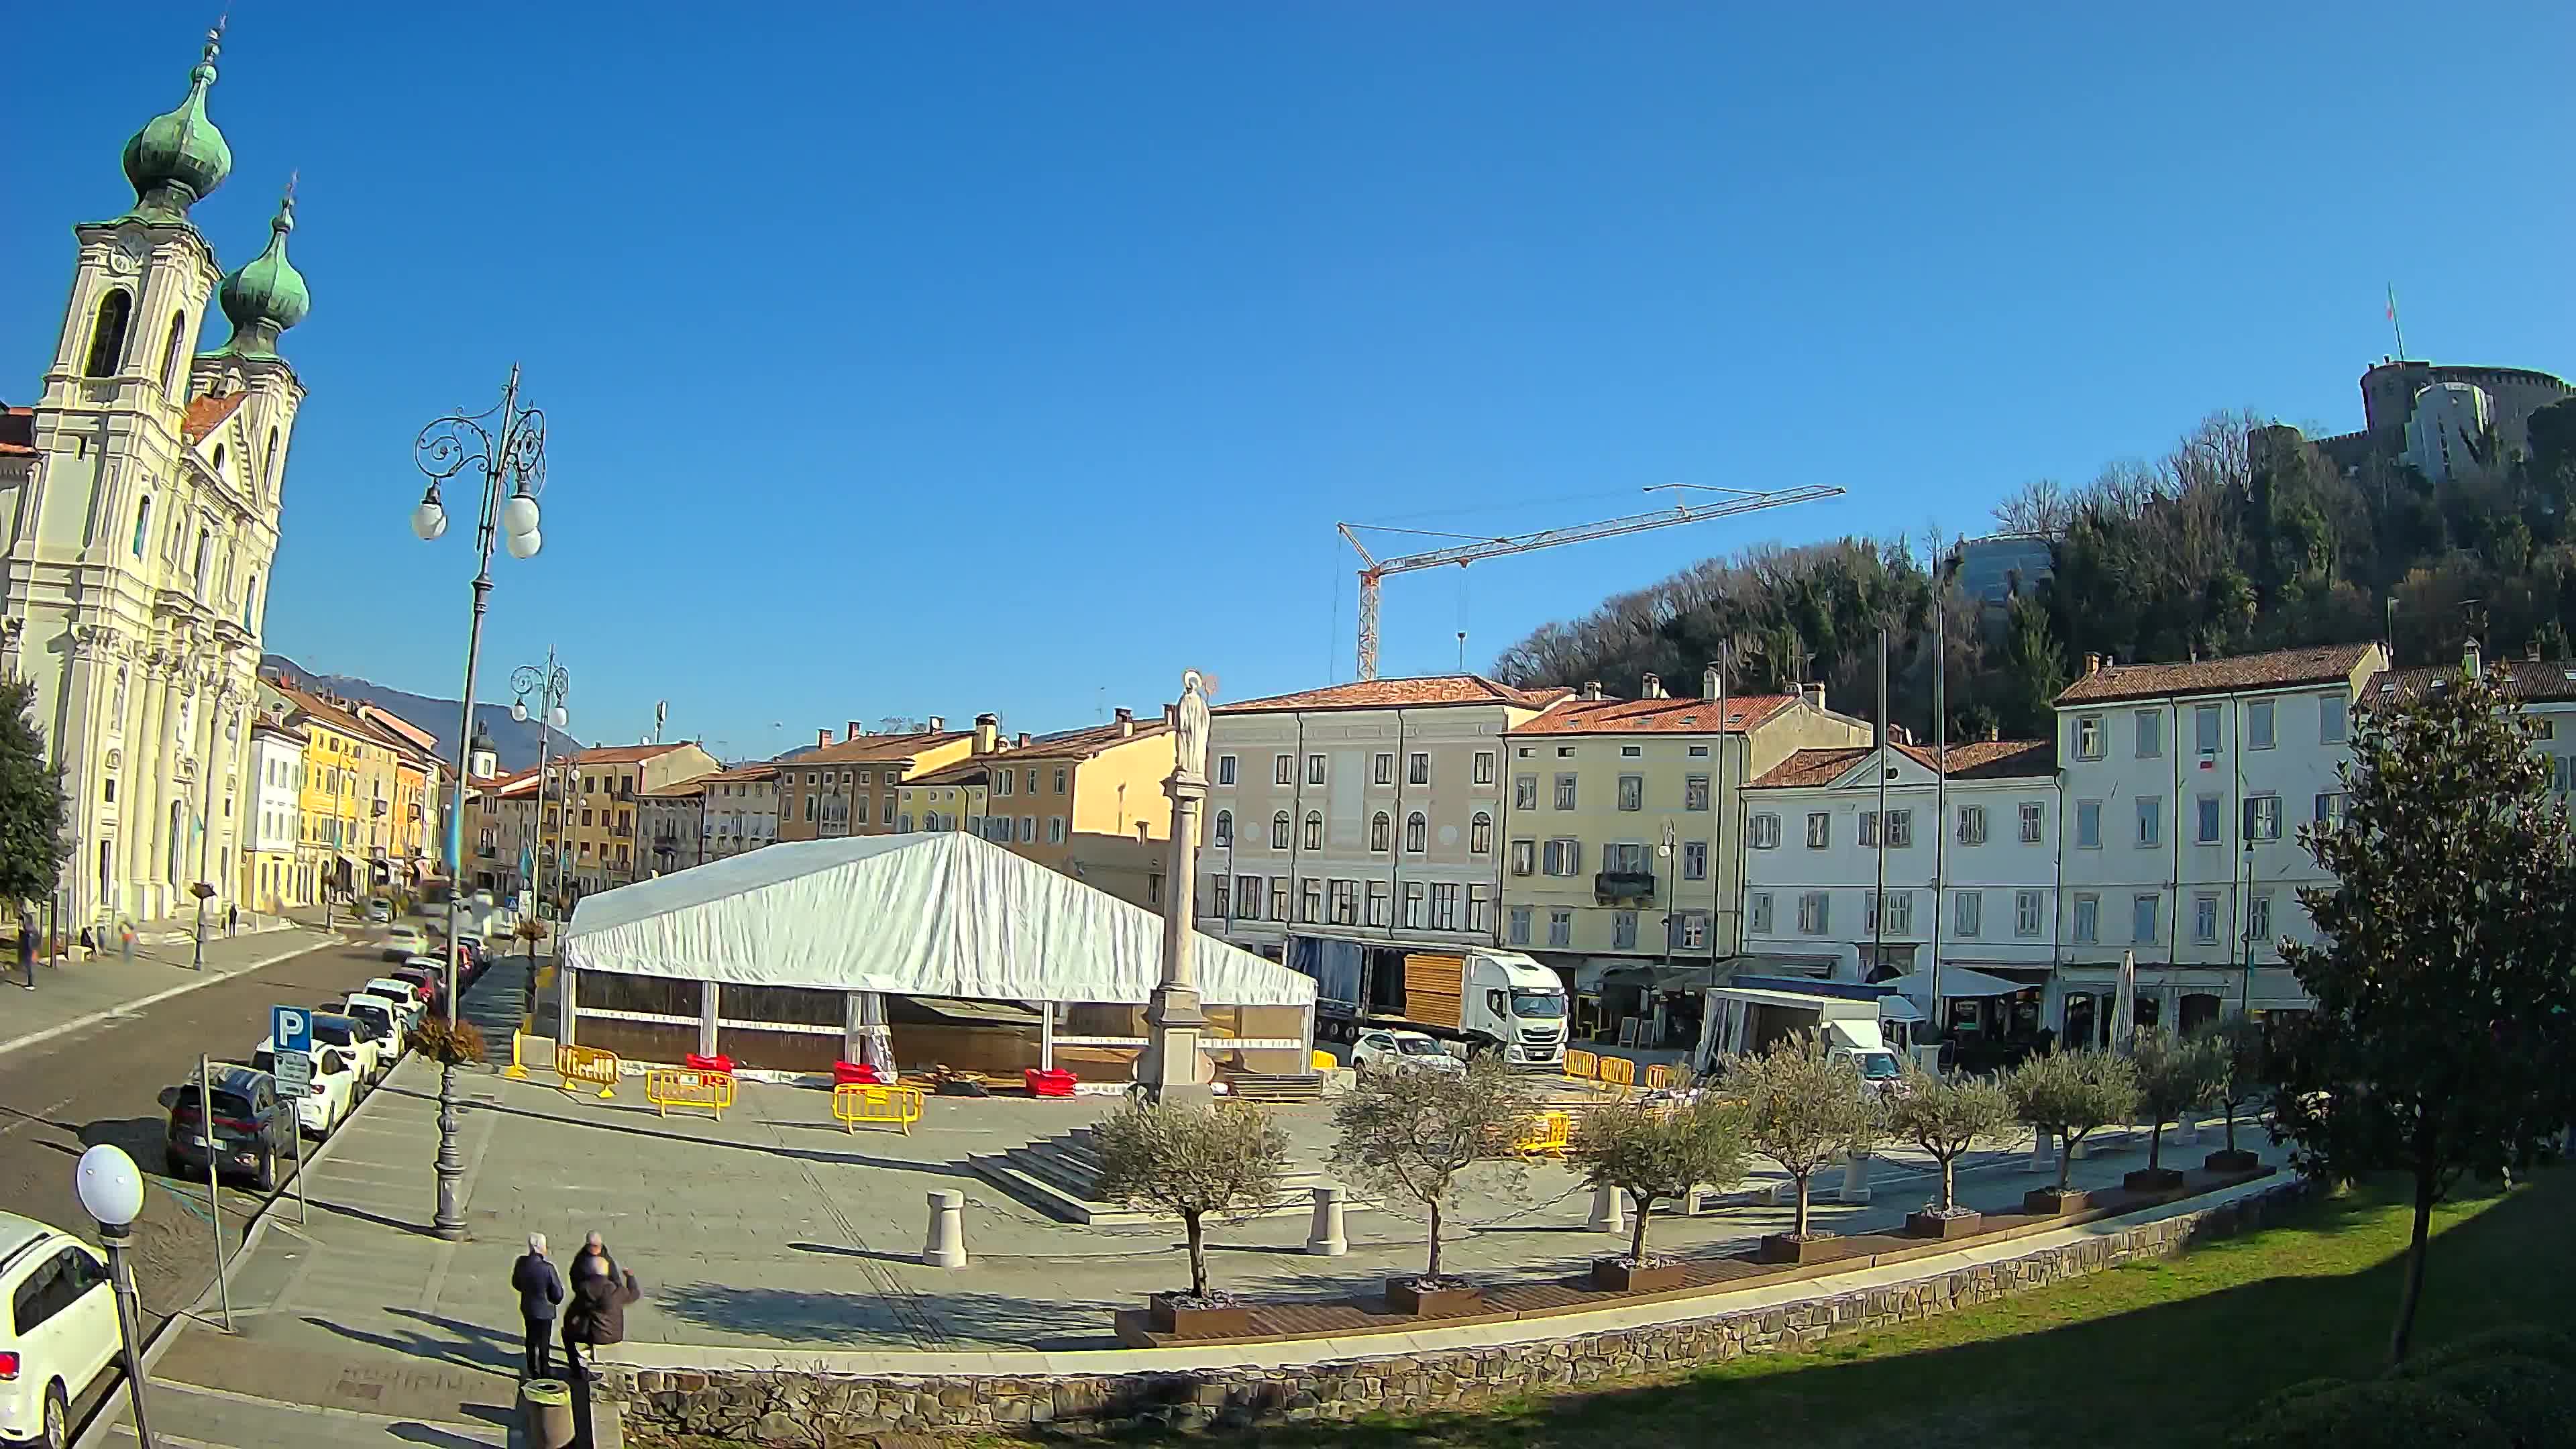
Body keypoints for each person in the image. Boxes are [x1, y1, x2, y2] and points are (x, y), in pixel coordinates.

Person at [560, 1254, 639, 1382]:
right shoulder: (618, 1291)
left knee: (566, 1334)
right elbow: (635, 1294)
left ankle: (576, 1371)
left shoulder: (585, 1288)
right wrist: (630, 1277)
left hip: (595, 1336)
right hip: (616, 1335)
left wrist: (570, 1326)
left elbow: (572, 1313)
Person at [511, 1233, 565, 1379]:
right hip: (545, 1311)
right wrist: (551, 1299)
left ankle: (532, 1368)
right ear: (542, 1248)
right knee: (544, 1341)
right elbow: (558, 1294)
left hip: (528, 1307)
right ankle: (544, 1369)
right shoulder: (548, 1269)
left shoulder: (521, 1262)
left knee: (530, 1338)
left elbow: (516, 1283)